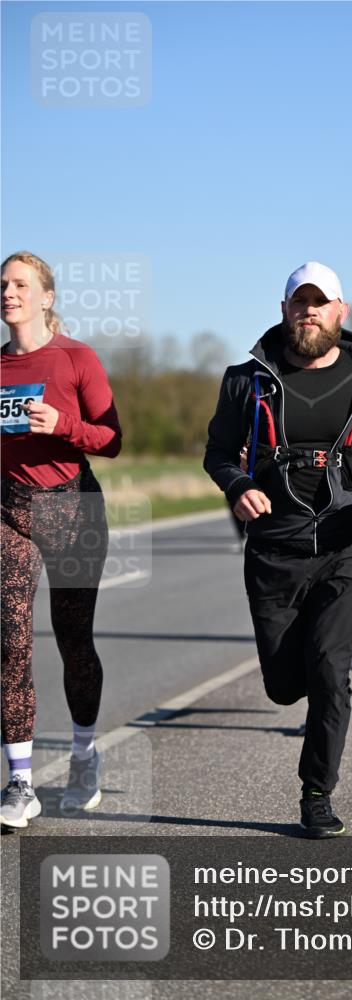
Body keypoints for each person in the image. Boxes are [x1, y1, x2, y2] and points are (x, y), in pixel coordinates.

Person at [204, 262, 352, 838]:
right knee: (282, 685)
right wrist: (238, 484)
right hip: (275, 547)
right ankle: (333, 646)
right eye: (300, 302)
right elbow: (218, 452)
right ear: (284, 310)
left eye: (320, 302)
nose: (310, 312)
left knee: (328, 671)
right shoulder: (245, 380)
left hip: (345, 543)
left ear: (341, 311)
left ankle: (317, 794)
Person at [1, 251, 122, 828]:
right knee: (11, 640)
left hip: (74, 509)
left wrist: (63, 426)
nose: (9, 292)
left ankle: (82, 757)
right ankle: (20, 781)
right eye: (3, 284)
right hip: (9, 513)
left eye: (21, 284)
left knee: (74, 640)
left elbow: (112, 437)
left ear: (46, 297)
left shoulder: (77, 357)